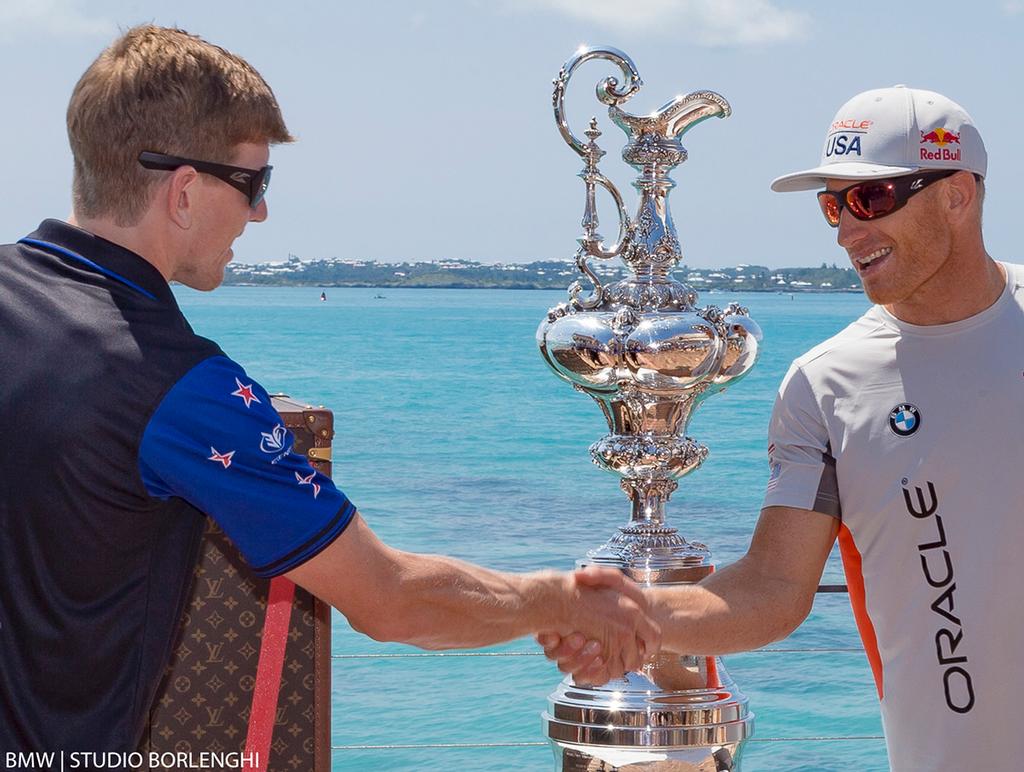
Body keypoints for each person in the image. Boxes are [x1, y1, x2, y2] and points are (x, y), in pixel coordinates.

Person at [0, 26, 659, 753]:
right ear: (185, 191)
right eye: (253, 184)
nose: (260, 214)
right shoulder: (182, 388)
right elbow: (393, 601)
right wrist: (559, 600)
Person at [541, 85, 1020, 769]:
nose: (846, 232)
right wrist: (625, 614)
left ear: (957, 194)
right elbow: (773, 587)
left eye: (871, 198)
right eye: (833, 204)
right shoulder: (825, 386)